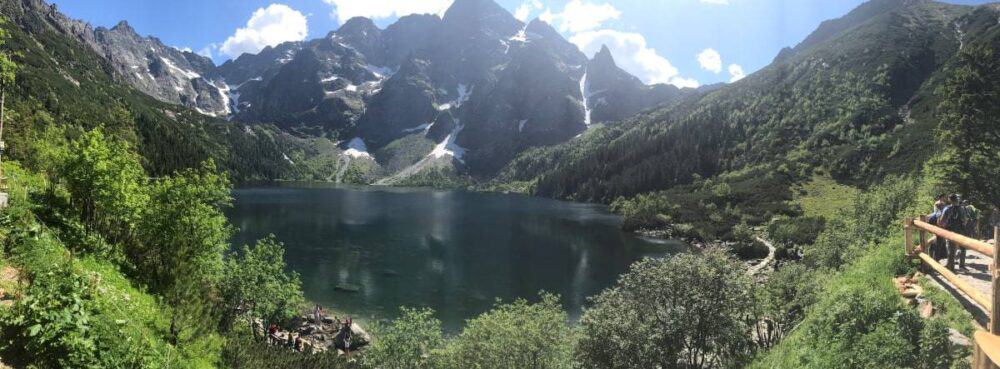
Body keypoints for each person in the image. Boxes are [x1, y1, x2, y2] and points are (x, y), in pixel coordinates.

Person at [938, 194, 967, 270]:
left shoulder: (947, 209)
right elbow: (965, 220)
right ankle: (962, 265)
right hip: (961, 230)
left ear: (950, 200)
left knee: (951, 249)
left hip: (950, 231)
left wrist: (943, 227)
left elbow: (941, 221)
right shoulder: (962, 208)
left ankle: (950, 266)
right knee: (962, 248)